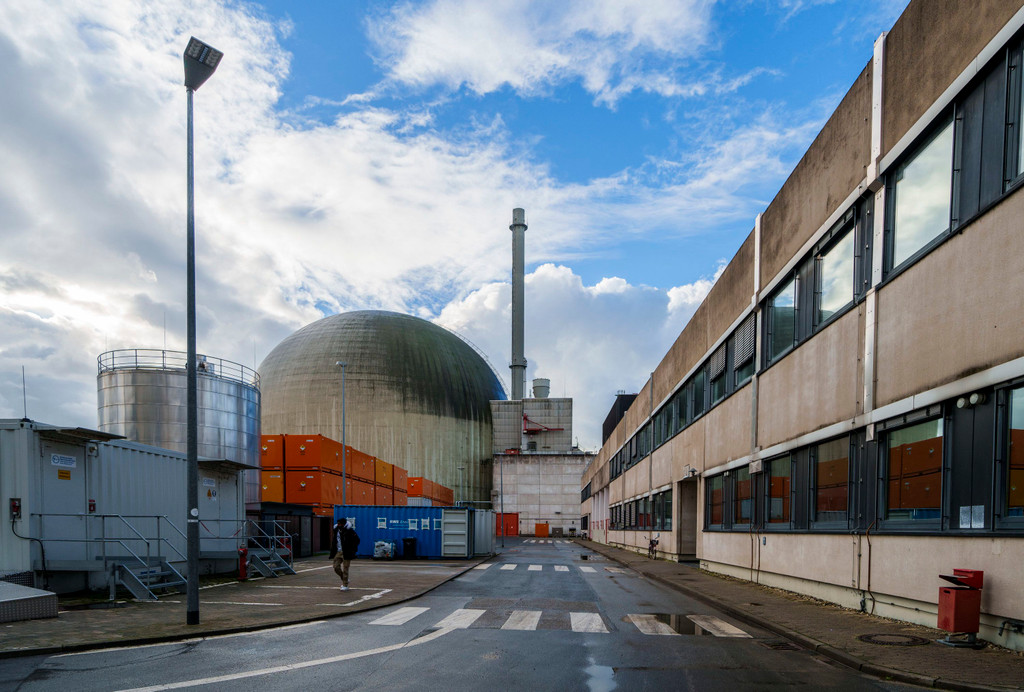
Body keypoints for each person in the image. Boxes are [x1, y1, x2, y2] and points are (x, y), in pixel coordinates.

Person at [330, 518, 360, 591]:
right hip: (338, 551)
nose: (338, 525)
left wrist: (352, 549)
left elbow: (357, 540)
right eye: (338, 523)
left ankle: (345, 585)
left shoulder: (350, 531)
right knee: (336, 567)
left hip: (347, 552)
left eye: (340, 524)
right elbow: (335, 541)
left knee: (346, 568)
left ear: (344, 524)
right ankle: (344, 578)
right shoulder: (336, 530)